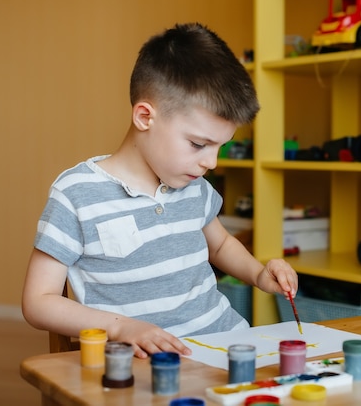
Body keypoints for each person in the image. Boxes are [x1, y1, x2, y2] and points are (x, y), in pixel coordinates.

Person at [22, 23, 299, 359]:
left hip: (225, 344)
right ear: (144, 116)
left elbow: (222, 244)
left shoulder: (194, 187)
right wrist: (121, 327)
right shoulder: (77, 194)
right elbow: (39, 301)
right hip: (144, 365)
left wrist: (259, 273)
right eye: (199, 144)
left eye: (220, 148)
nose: (210, 162)